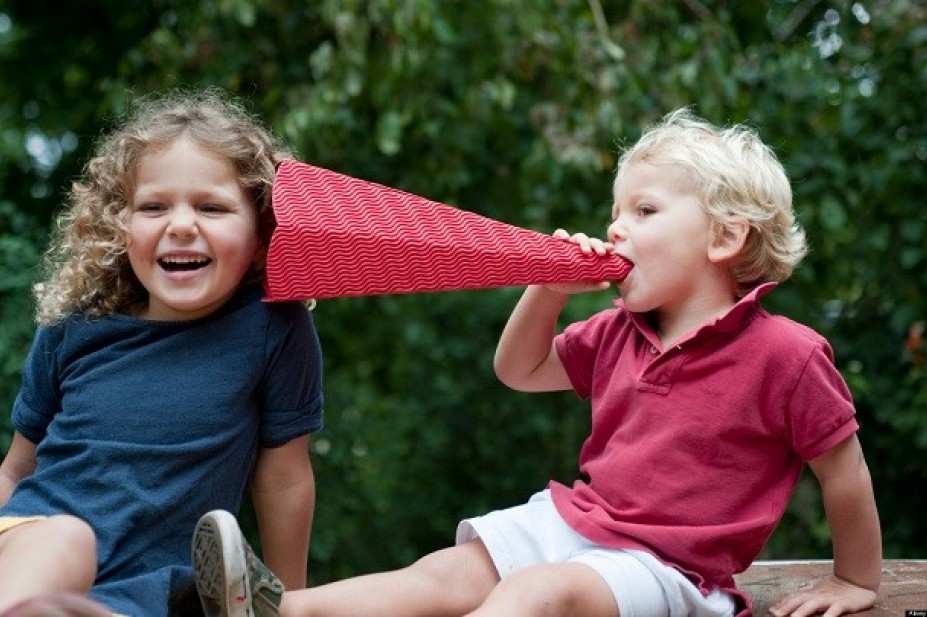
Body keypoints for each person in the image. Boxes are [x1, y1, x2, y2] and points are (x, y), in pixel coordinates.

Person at [192, 108, 882, 617]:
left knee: (532, 591)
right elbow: (518, 369)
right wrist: (547, 289)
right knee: (451, 572)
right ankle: (281, 609)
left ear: (726, 236)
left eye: (643, 210)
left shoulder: (785, 354)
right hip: (577, 523)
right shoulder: (618, 329)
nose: (615, 228)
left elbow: (842, 469)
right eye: (615, 211)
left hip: (670, 571)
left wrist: (855, 579)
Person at [0, 88, 324, 616]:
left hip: (145, 593)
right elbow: (16, 469)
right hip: (27, 548)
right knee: (66, 542)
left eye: (212, 207)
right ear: (118, 224)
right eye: (153, 207)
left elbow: (285, 477)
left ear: (263, 229)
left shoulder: (271, 326)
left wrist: (295, 604)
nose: (180, 224)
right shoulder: (77, 325)